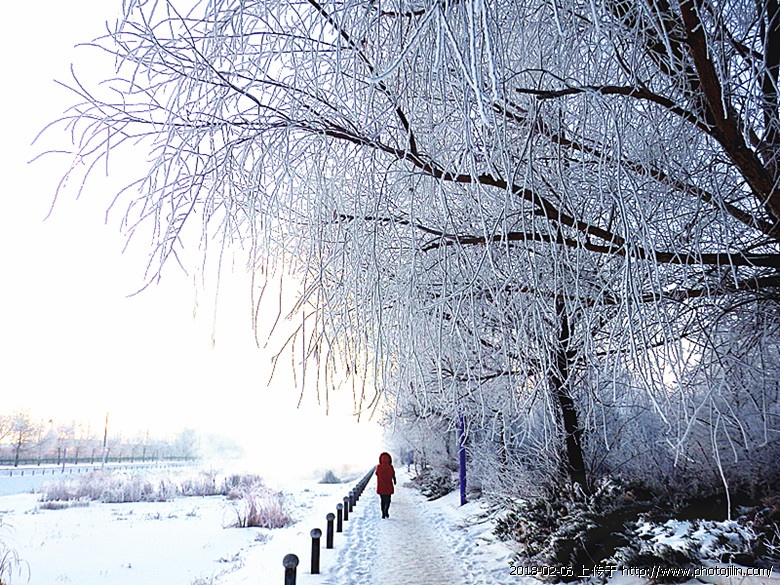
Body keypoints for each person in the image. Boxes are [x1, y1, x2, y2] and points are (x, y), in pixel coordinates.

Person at [375, 451, 396, 519]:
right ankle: (386, 510)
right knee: (388, 499)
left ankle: (383, 513)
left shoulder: (379, 467)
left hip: (381, 486)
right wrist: (394, 480)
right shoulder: (390, 466)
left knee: (382, 500)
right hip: (388, 485)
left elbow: (376, 474)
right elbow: (393, 474)